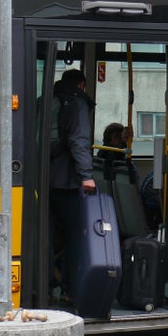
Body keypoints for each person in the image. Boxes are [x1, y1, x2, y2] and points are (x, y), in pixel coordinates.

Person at [49, 68, 96, 303]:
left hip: (44, 181)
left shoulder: (46, 99)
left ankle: (47, 286)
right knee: (74, 237)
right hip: (67, 182)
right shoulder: (76, 104)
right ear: (81, 85)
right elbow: (79, 140)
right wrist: (86, 175)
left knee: (47, 236)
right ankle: (69, 289)